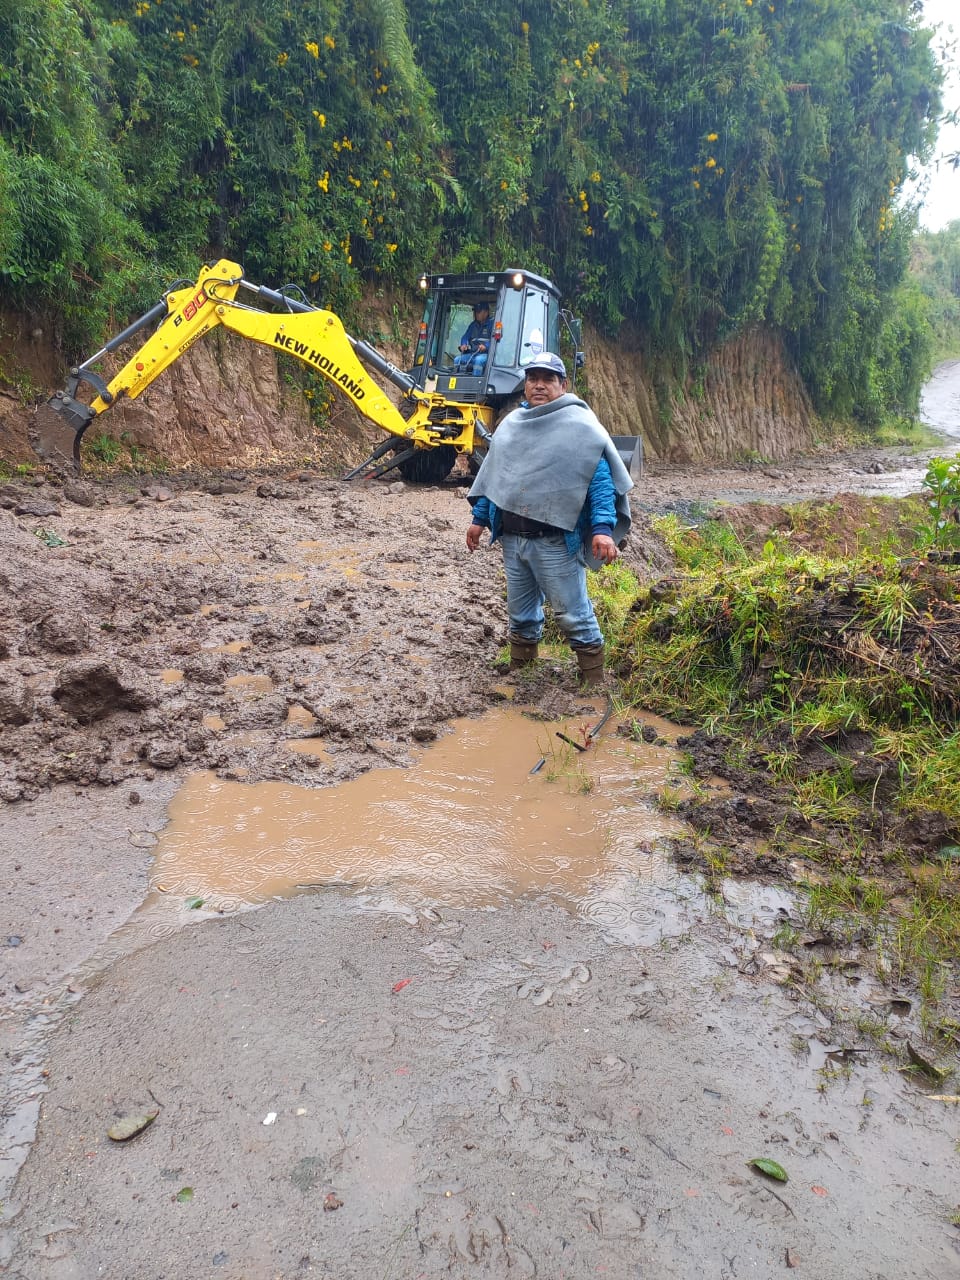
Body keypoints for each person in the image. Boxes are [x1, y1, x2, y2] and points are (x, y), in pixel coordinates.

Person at [465, 352, 633, 687]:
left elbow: (600, 483)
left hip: (555, 541)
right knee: (520, 612)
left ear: (563, 384)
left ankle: (594, 680)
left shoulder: (581, 426)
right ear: (525, 384)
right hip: (513, 539)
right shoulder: (512, 424)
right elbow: (496, 477)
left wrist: (602, 530)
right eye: (533, 378)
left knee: (573, 612)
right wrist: (479, 518)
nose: (539, 385)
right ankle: (522, 669)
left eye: (548, 379)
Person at [453, 302, 493, 374]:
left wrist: (486, 346)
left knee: (479, 360)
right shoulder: (473, 325)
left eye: (479, 312)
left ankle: (475, 379)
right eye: (476, 311)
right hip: (473, 353)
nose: (476, 314)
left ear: (486, 313)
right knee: (457, 359)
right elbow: (465, 337)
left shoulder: (492, 324)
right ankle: (458, 379)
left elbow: (494, 340)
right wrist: (464, 344)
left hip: (486, 355)